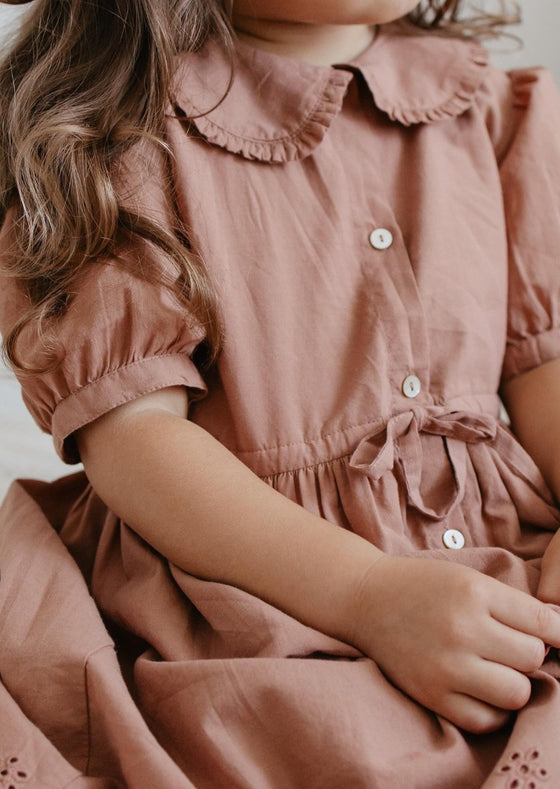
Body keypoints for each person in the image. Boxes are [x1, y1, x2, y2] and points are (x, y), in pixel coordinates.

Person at [1, 0, 560, 785]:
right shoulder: (117, 128)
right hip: (257, 585)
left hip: (503, 551)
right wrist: (367, 594)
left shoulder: (492, 107)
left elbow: (543, 364)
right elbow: (134, 440)